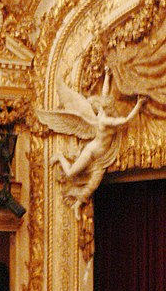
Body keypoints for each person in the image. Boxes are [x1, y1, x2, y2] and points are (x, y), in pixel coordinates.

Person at [37, 70, 146, 217]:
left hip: (102, 158)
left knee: (94, 183)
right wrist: (138, 105)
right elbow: (126, 120)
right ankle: (60, 157)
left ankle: (78, 203)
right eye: (110, 106)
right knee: (70, 173)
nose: (110, 106)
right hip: (91, 153)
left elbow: (104, 93)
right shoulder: (106, 121)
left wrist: (107, 75)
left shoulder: (104, 114)